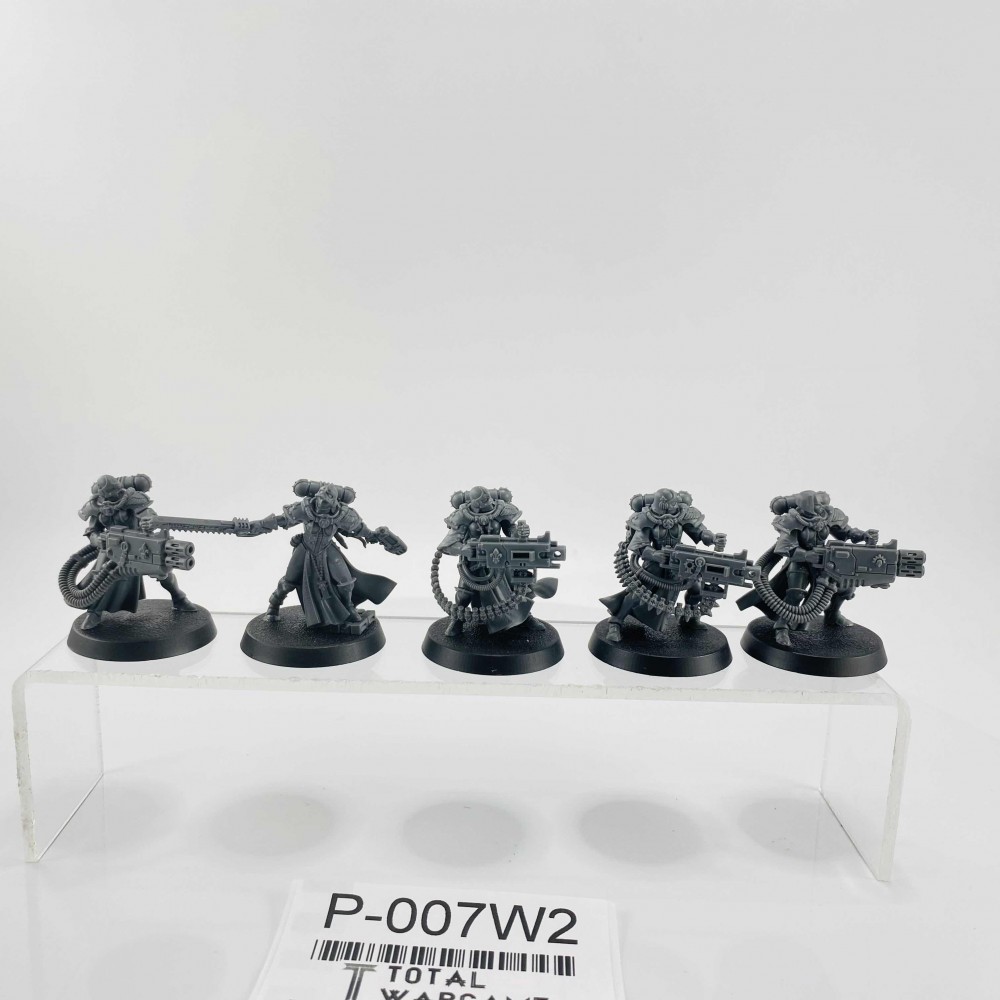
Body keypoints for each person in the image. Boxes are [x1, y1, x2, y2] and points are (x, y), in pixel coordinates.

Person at [254, 480, 406, 629]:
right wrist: (254, 526)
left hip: (327, 548)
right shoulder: (304, 509)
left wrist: (382, 536)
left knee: (346, 581)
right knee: (289, 581)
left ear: (334, 503)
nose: (320, 504)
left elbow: (364, 532)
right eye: (319, 499)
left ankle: (348, 606)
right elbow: (280, 521)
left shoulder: (344, 515)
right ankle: (274, 605)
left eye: (325, 501)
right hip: (305, 548)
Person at [601, 488, 726, 642]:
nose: (672, 508)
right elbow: (639, 545)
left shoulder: (682, 514)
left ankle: (690, 619)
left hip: (681, 561)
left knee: (696, 589)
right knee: (637, 594)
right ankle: (616, 621)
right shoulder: (646, 518)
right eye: (668, 505)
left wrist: (713, 538)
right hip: (655, 564)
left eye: (674, 505)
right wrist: (654, 554)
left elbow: (700, 532)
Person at [77, 474, 194, 629]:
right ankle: (95, 612)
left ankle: (179, 598)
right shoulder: (96, 505)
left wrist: (149, 522)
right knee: (100, 576)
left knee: (162, 572)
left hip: (138, 544)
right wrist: (97, 539)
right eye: (106, 495)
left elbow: (149, 515)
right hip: (111, 547)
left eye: (113, 493)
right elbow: (92, 531)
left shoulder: (132, 500)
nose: (110, 498)